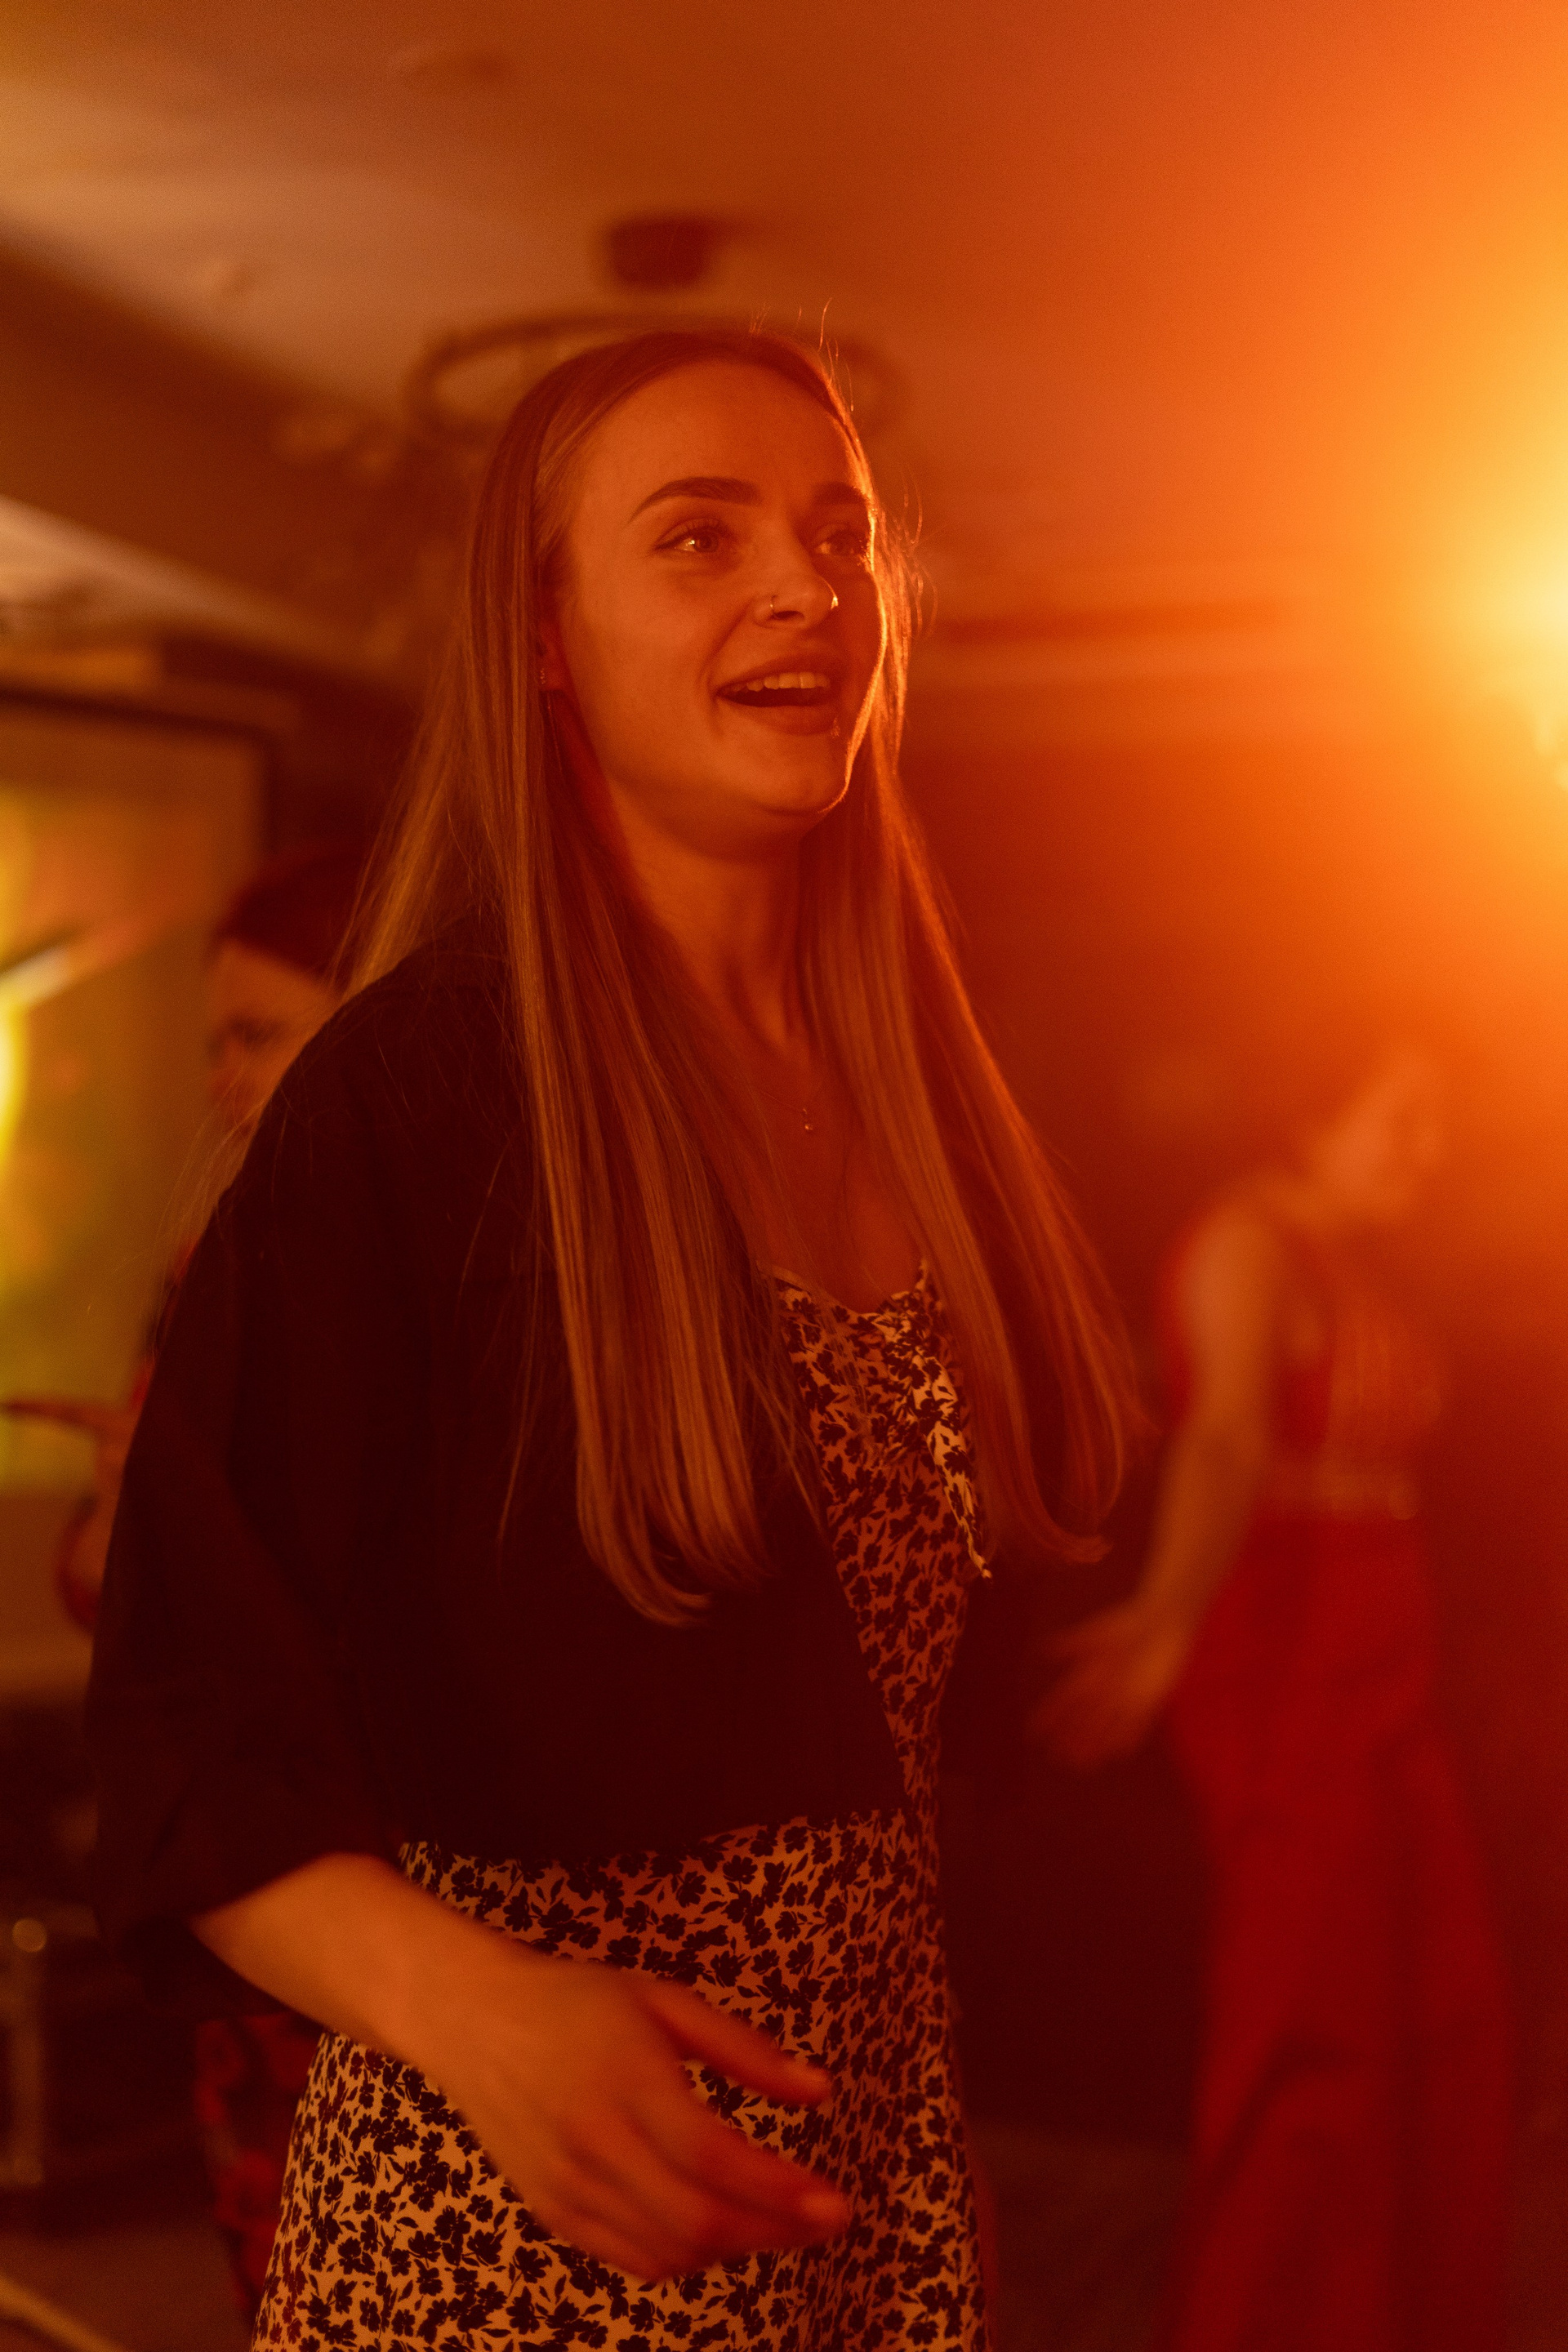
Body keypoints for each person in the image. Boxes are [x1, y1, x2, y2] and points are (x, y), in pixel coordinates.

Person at [86, 329, 1129, 2350]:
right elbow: (182, 1731)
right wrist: (483, 2014)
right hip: (523, 2235)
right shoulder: (425, 1094)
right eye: (699, 537)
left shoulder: (914, 1090)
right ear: (546, 640)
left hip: (850, 2180)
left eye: (838, 535)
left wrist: (918, 2120)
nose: (804, 587)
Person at [1040, 1040, 1512, 2352]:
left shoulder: (1360, 1258)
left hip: (1389, 1666)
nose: (1427, 1153)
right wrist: (1167, 1619)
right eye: (1401, 1119)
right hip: (1289, 1664)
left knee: (1445, 2016)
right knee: (1315, 2035)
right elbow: (1225, 1437)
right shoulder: (1246, 1244)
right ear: (1313, 1111)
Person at [6, 838, 363, 2314]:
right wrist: (119, 1529)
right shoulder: (214, 1258)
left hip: (406, 1918)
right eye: (215, 1040)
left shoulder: (476, 1263)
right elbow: (128, 1587)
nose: (224, 1079)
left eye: (258, 1036)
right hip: (256, 1908)